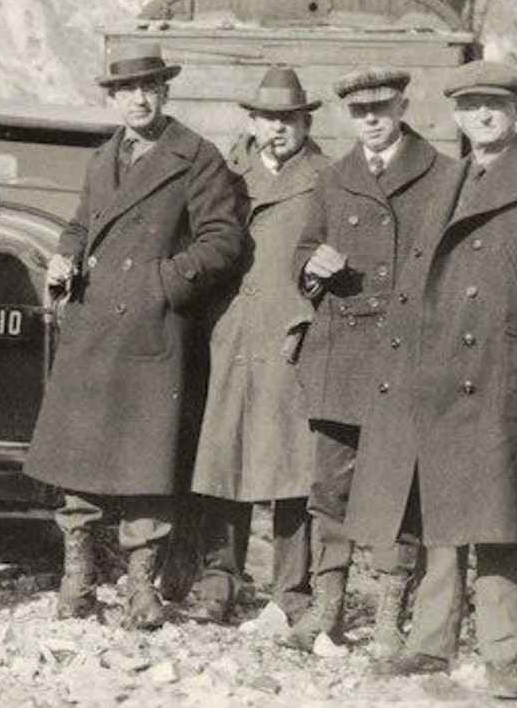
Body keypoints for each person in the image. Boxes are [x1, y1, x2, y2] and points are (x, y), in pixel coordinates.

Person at [356, 59, 517, 700]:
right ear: (457, 115)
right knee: (442, 519)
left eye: (495, 105)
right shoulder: (447, 181)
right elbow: (415, 283)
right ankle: (430, 646)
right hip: (439, 375)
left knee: (501, 523)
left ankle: (499, 655)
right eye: (470, 106)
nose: (483, 116)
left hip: (508, 378)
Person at [25, 41, 245, 630]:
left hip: (154, 334)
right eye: (127, 90)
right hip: (95, 328)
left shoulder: (195, 157)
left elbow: (224, 241)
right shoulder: (103, 159)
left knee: (147, 467)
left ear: (165, 92)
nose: (139, 99)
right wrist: (64, 257)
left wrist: (160, 286)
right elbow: (81, 224)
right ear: (114, 97)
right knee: (80, 462)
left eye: (149, 88)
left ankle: (140, 587)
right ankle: (78, 578)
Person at [285, 67, 452, 653]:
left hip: (406, 354)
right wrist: (312, 268)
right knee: (329, 486)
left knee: (396, 487)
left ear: (403, 105)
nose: (372, 121)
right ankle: (327, 609)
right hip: (342, 353)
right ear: (347, 118)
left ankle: (388, 613)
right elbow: (303, 254)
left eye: (381, 109)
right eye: (360, 113)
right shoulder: (334, 180)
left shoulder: (442, 177)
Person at [188, 67, 331, 626]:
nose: (277, 130)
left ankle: (290, 590)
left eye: (288, 120)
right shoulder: (224, 172)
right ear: (251, 121)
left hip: (289, 335)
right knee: (223, 458)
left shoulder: (326, 177)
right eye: (268, 118)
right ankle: (219, 580)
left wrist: (315, 293)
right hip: (228, 332)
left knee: (291, 468)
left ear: (305, 123)